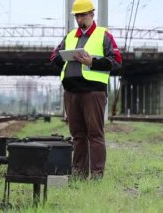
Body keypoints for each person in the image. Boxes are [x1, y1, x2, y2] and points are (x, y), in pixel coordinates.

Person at [50, 0, 122, 179]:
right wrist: (64, 57)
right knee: (77, 135)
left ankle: (97, 174)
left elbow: (117, 61)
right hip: (71, 93)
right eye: (77, 16)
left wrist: (93, 62)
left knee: (95, 134)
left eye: (83, 15)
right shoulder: (70, 36)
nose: (79, 19)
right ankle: (79, 173)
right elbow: (53, 56)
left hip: (93, 93)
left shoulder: (103, 35)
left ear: (92, 14)